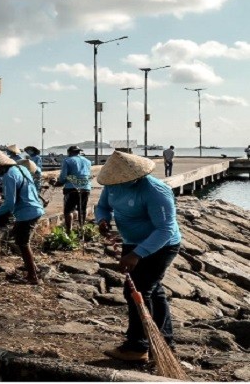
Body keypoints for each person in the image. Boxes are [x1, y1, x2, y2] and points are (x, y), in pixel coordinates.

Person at [95, 151, 181, 362]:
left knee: (137, 292)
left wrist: (137, 254)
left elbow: (165, 229)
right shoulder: (112, 186)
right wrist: (102, 221)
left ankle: (138, 346)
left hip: (160, 246)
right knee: (153, 291)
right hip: (132, 242)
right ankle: (164, 342)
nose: (119, 183)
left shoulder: (155, 190)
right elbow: (102, 207)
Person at [0, 151, 45, 284]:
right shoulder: (20, 168)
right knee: (19, 239)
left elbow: (9, 204)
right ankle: (33, 268)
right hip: (34, 208)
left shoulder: (9, 176)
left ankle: (33, 276)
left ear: (1, 165)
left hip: (27, 212)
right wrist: (3, 188)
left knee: (23, 243)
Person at [57, 145, 92, 232]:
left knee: (68, 210)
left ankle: (69, 230)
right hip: (86, 188)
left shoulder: (67, 160)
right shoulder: (88, 161)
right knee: (82, 209)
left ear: (70, 152)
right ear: (79, 152)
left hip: (71, 188)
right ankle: (82, 228)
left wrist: (59, 182)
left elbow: (63, 176)